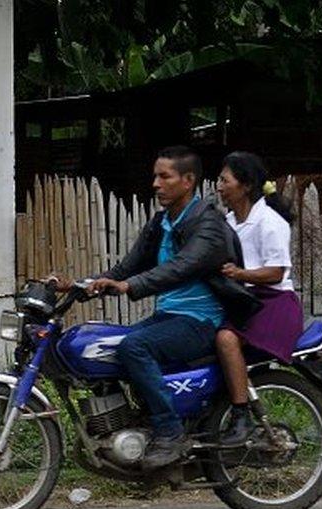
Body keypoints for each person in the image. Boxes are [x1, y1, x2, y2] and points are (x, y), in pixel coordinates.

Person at [50, 146, 258, 469]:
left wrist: (133, 286)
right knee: (115, 345)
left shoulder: (208, 223)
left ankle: (170, 431)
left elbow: (183, 266)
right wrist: (80, 284)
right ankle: (139, 422)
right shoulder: (163, 223)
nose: (156, 184)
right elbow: (124, 268)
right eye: (155, 176)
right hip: (171, 316)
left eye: (165, 177)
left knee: (135, 346)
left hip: (201, 320)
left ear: (188, 181)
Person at [215, 152, 303, 445]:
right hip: (245, 300)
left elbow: (277, 272)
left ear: (246, 185)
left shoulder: (269, 221)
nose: (219, 186)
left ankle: (242, 417)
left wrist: (240, 274)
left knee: (227, 339)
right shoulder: (228, 221)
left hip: (272, 303)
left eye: (225, 180)